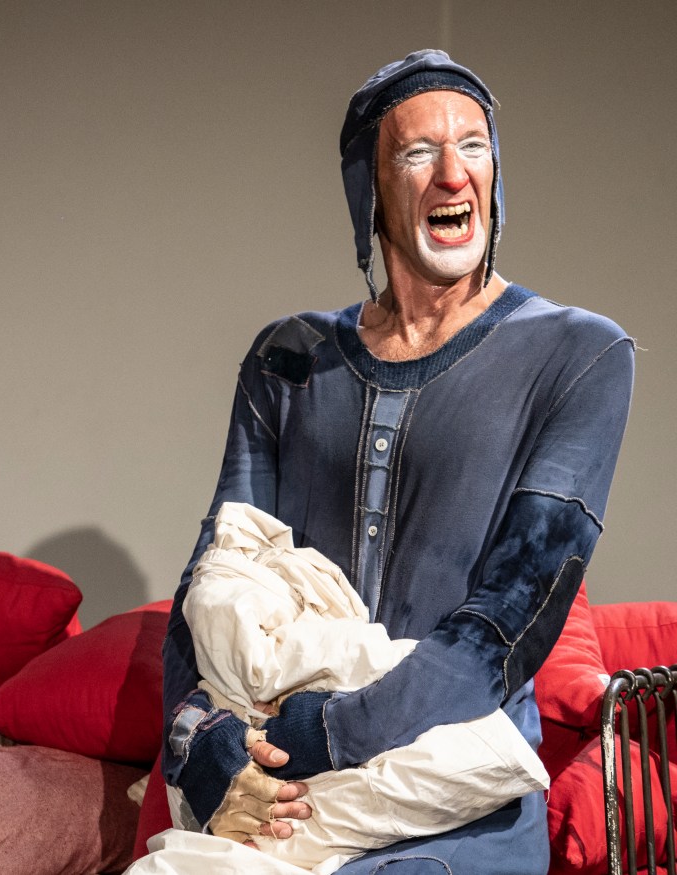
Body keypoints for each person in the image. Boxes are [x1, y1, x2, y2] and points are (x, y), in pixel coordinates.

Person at [158, 49, 635, 874]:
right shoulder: (288, 358)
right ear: (370, 193)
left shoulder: (579, 354)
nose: (454, 173)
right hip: (291, 796)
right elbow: (216, 576)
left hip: (456, 808)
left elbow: (507, 625)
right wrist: (198, 744)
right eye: (418, 152)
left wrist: (328, 730)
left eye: (474, 145)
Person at [184, 500, 549, 872]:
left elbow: (493, 633)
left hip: (465, 802)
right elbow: (201, 609)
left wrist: (322, 728)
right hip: (263, 779)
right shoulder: (242, 579)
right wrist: (195, 734)